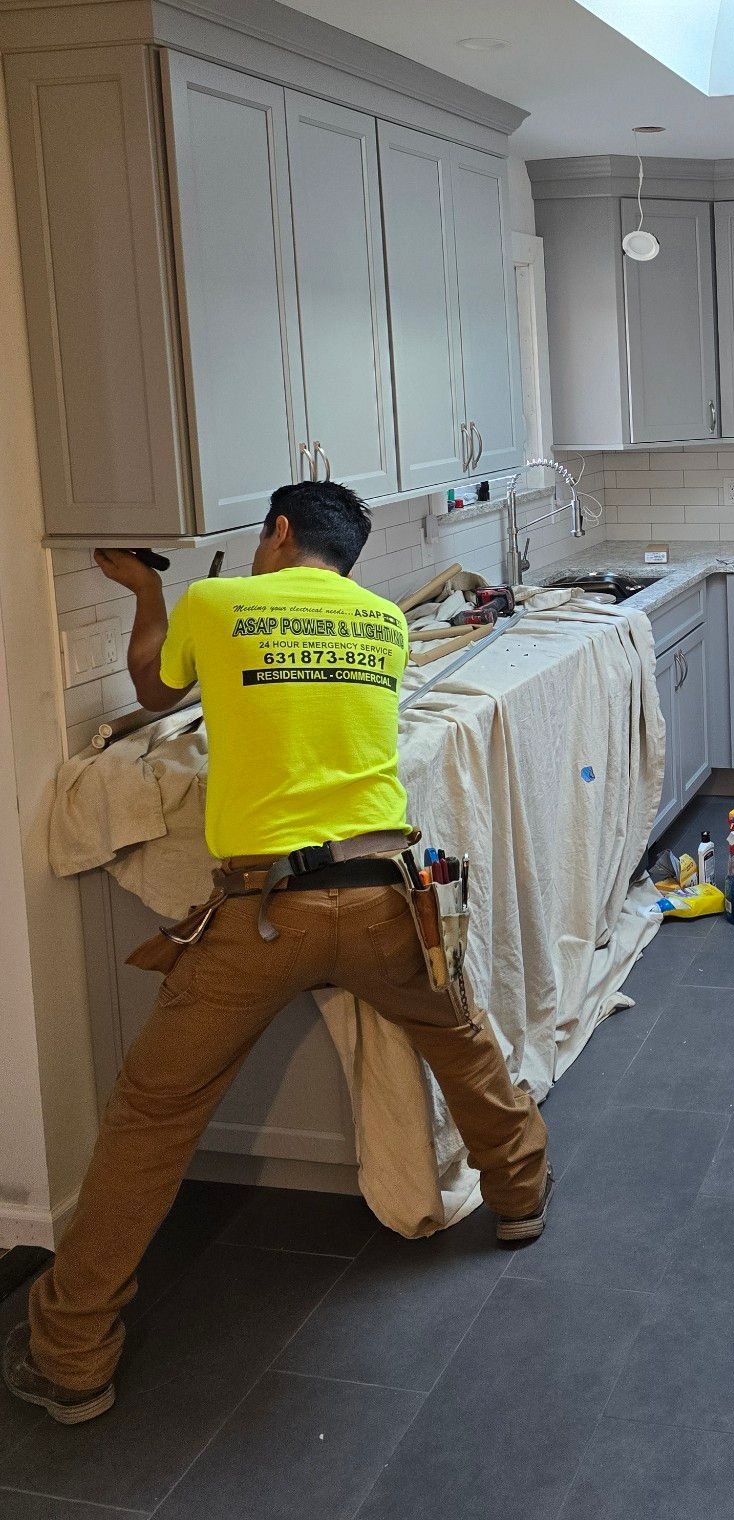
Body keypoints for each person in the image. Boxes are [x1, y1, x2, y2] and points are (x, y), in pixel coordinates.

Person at [5, 481, 549, 1426]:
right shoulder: (383, 620)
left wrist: (143, 593)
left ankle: (72, 1356)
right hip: (390, 900)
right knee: (464, 1044)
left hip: (263, 914)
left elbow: (154, 692)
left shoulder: (215, 604)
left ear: (280, 532)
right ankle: (521, 1195)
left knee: (151, 1118)